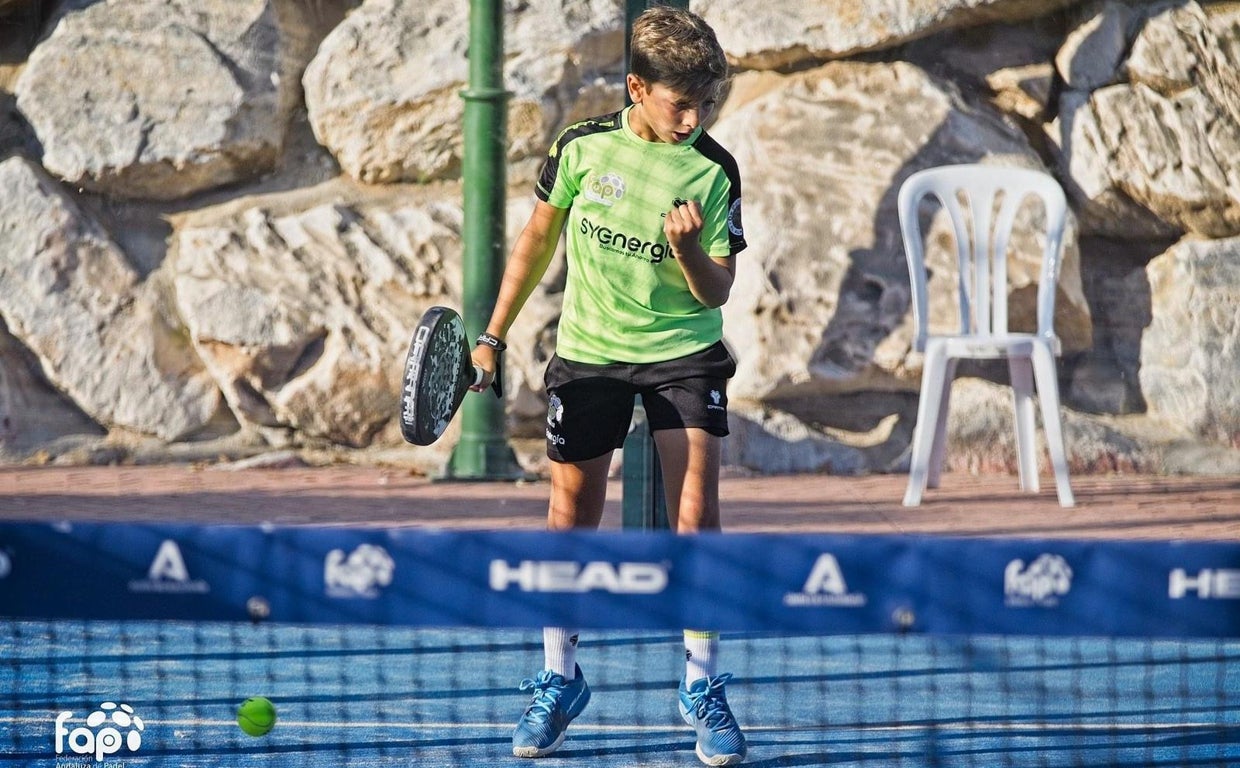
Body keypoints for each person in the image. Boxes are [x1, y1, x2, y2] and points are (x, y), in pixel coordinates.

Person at [469, 5, 747, 765]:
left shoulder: (713, 171)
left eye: (706, 104)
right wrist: (491, 336)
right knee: (570, 520)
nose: (694, 117)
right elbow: (534, 241)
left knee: (696, 517)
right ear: (636, 87)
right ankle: (559, 678)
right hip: (590, 353)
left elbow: (715, 292)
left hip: (684, 356)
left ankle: (702, 686)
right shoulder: (582, 149)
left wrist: (688, 250)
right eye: (680, 102)